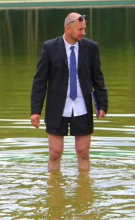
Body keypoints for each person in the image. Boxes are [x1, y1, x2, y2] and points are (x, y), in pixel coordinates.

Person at [30, 12, 108, 171]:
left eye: (84, 29)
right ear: (68, 28)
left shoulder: (91, 48)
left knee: (83, 152)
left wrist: (102, 104)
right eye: (80, 29)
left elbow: (98, 78)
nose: (83, 32)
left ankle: (84, 190)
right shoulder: (50, 47)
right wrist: (35, 110)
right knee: (55, 153)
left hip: (82, 106)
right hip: (57, 107)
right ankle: (54, 191)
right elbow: (40, 81)